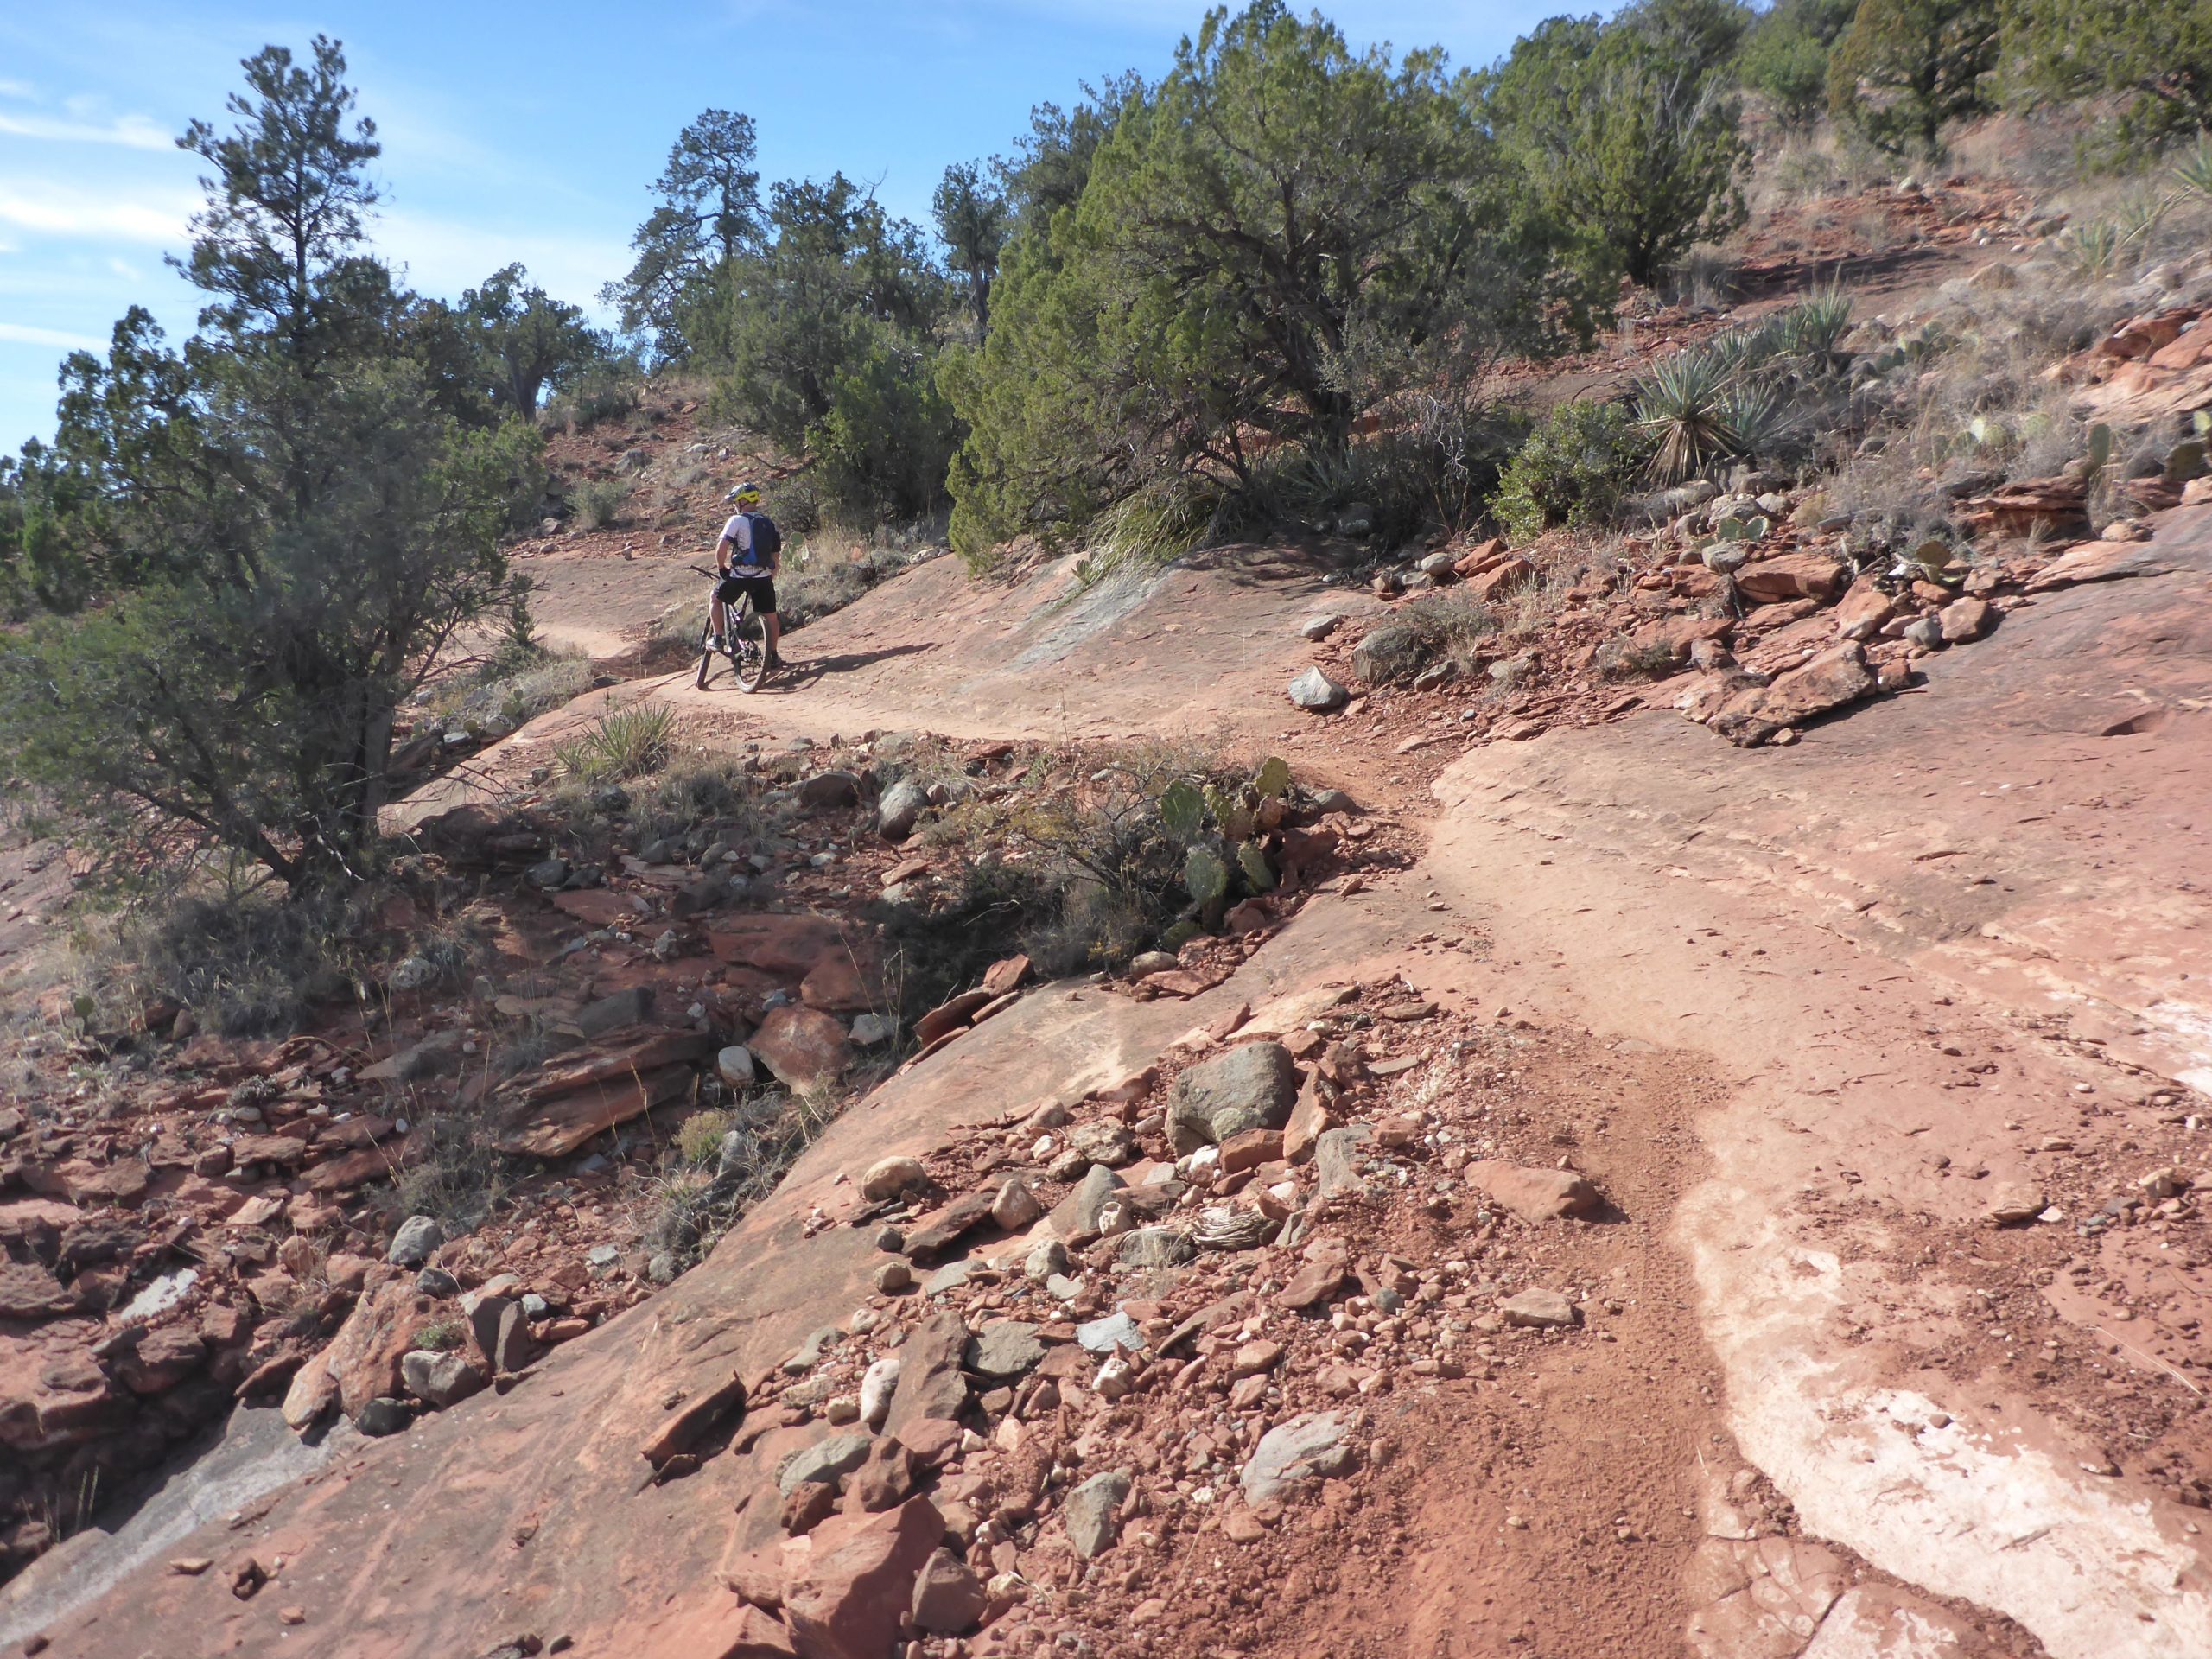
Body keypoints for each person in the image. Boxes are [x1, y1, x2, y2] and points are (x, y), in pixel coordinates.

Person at [709, 483, 784, 671]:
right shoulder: (768, 522)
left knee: (715, 598)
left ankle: (718, 638)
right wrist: (770, 576)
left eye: (735, 501)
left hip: (739, 576)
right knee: (771, 617)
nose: (734, 505)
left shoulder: (736, 520)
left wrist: (721, 568)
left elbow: (721, 548)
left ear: (743, 501)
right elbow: (776, 555)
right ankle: (773, 655)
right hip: (763, 577)